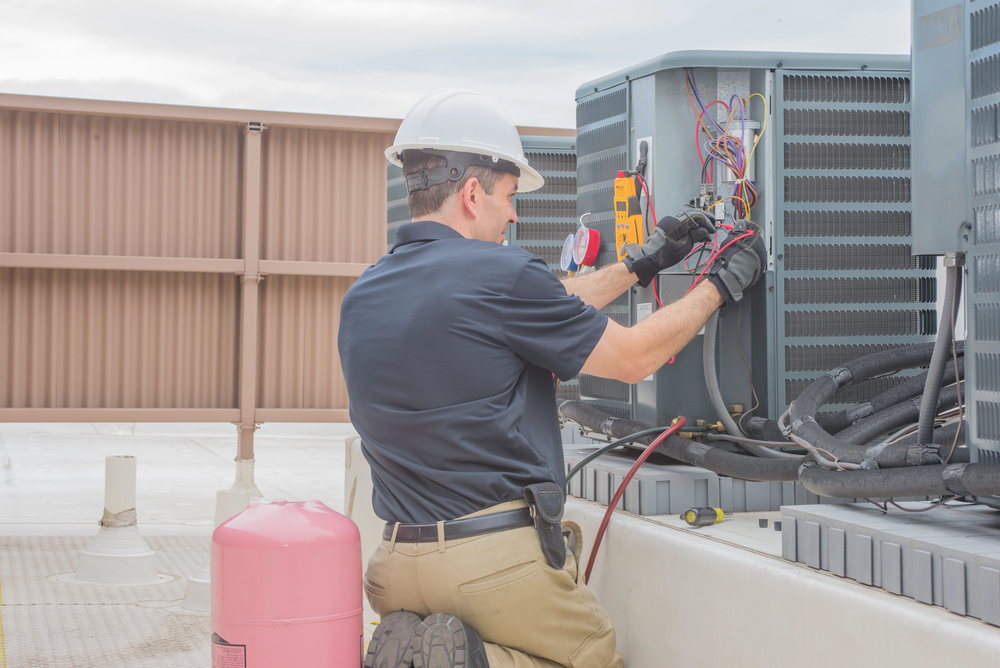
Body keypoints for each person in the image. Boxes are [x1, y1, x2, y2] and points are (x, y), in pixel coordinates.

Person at [338, 89, 765, 668]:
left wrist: (645, 262)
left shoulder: (365, 293)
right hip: (489, 562)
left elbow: (550, 302)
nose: (515, 215)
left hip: (394, 566)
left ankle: (427, 653)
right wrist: (717, 284)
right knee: (593, 659)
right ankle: (475, 662)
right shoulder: (502, 275)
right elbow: (636, 356)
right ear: (471, 193)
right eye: (510, 197)